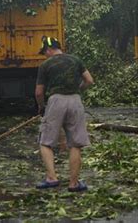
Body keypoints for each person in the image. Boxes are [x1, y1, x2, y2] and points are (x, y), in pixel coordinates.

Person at [35, 36, 94, 192]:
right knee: (75, 144)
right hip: (75, 101)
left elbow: (39, 92)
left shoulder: (45, 65)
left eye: (44, 52)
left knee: (46, 142)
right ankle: (74, 184)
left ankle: (52, 178)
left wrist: (41, 107)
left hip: (56, 102)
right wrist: (76, 90)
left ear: (48, 49)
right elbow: (89, 80)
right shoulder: (75, 60)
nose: (45, 55)